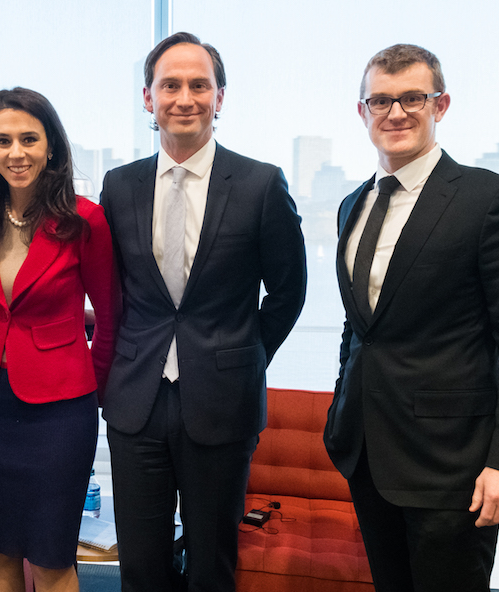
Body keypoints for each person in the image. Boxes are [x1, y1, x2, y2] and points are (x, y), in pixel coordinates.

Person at [323, 44, 499, 592]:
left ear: (440, 104)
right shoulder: (352, 204)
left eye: (413, 98)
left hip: (453, 466)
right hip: (366, 453)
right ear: (363, 111)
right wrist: (341, 404)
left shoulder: (491, 200)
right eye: (381, 100)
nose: (396, 113)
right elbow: (360, 327)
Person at [100, 32, 308, 591]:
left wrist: (242, 353)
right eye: (171, 85)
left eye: (199, 85)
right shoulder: (118, 187)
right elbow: (114, 290)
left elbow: (289, 293)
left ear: (220, 97)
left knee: (211, 566)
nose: (184, 97)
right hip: (135, 401)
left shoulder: (262, 184)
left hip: (223, 400)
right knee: (140, 567)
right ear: (149, 97)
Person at [0, 88, 120, 592]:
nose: (16, 153)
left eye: (29, 139)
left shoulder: (84, 220)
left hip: (59, 413)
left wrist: (88, 390)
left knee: (51, 558)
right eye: (2, 141)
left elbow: (112, 318)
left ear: (50, 146)